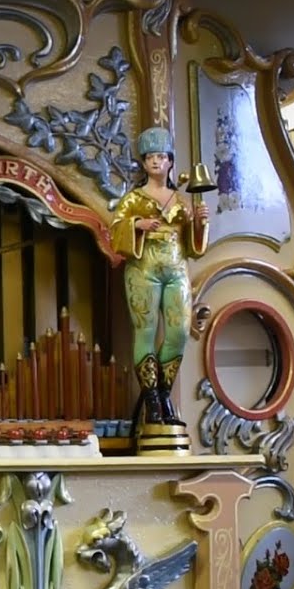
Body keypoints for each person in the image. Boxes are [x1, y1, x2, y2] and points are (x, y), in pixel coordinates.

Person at [110, 127, 209, 426]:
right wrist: (137, 225)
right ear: (143, 163)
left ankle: (164, 392)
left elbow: (194, 247)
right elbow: (115, 230)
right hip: (144, 269)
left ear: (169, 162)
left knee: (178, 332)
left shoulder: (180, 200)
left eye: (161, 156)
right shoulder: (133, 199)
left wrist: (200, 223)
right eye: (150, 157)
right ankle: (152, 401)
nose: (156, 161)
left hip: (176, 267)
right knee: (146, 331)